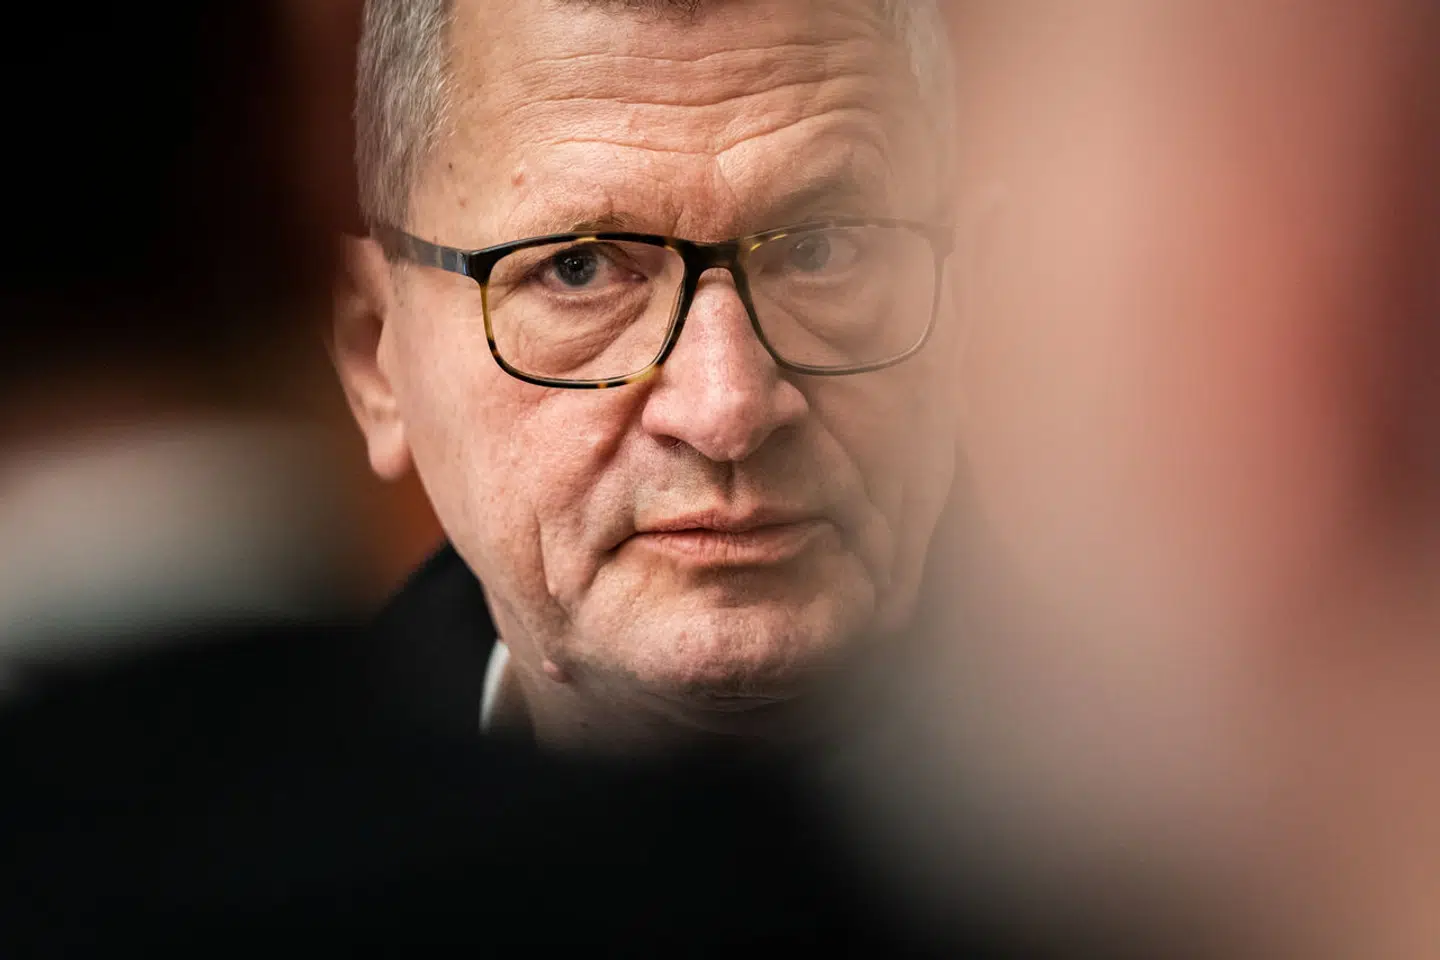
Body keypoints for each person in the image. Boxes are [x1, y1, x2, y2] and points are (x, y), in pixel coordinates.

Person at [332, 0, 965, 751]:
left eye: (821, 252)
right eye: (579, 268)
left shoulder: (1137, 790)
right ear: (377, 355)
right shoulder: (211, 842)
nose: (726, 409)